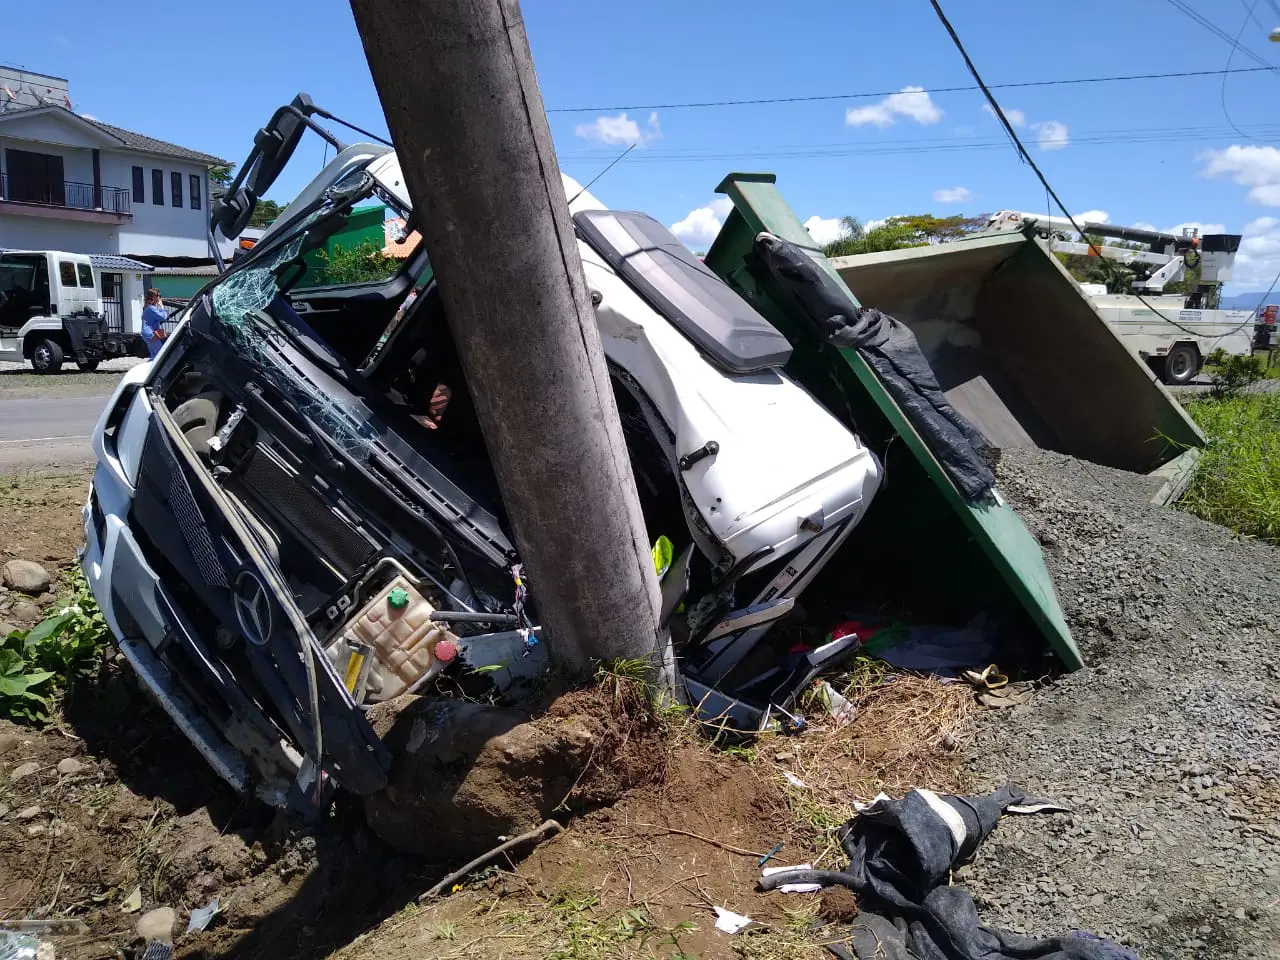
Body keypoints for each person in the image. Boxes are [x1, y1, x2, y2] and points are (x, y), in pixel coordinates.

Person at [140, 289, 169, 359]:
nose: (159, 297)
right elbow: (163, 317)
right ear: (152, 297)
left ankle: (149, 368)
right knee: (160, 355)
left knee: (154, 355)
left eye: (160, 296)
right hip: (151, 334)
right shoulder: (151, 308)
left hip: (148, 333)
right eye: (157, 295)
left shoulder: (148, 307)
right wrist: (162, 307)